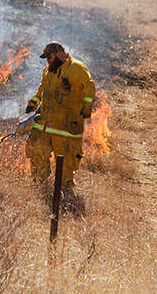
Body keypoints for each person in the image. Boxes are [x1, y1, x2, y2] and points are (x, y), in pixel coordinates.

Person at [24, 41, 96, 201]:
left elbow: (89, 87)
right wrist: (33, 103)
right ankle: (38, 188)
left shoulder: (76, 68)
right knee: (37, 154)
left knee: (66, 164)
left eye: (49, 57)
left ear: (59, 53)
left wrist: (87, 105)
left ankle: (66, 197)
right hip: (45, 125)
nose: (47, 61)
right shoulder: (48, 71)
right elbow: (41, 90)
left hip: (67, 128)